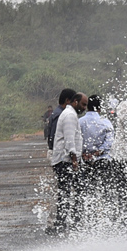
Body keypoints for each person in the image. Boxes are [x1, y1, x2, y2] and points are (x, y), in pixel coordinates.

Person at [49, 88, 84, 233]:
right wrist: (75, 160)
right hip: (66, 161)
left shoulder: (69, 113)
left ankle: (62, 223)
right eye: (83, 104)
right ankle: (63, 224)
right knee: (68, 193)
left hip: (65, 160)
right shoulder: (70, 115)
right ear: (74, 102)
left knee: (66, 193)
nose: (84, 108)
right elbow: (70, 140)